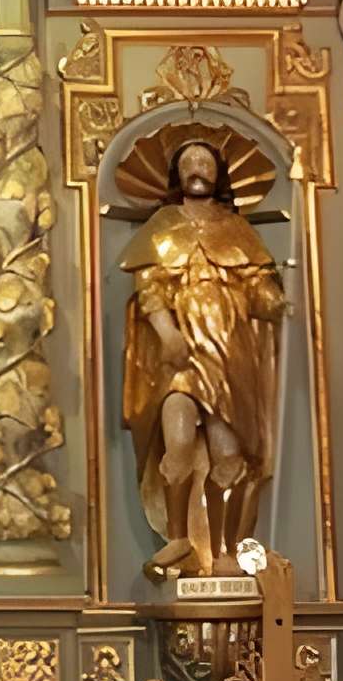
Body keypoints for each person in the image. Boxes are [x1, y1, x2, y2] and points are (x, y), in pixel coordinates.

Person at [122, 135, 288, 577]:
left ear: (219, 172)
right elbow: (149, 287)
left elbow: (257, 286)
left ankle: (224, 551)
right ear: (177, 172)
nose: (198, 167)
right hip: (178, 356)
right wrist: (166, 333)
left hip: (230, 352)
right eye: (189, 160)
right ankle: (178, 539)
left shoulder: (238, 229)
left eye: (206, 160)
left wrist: (274, 297)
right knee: (177, 442)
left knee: (228, 455)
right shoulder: (162, 224)